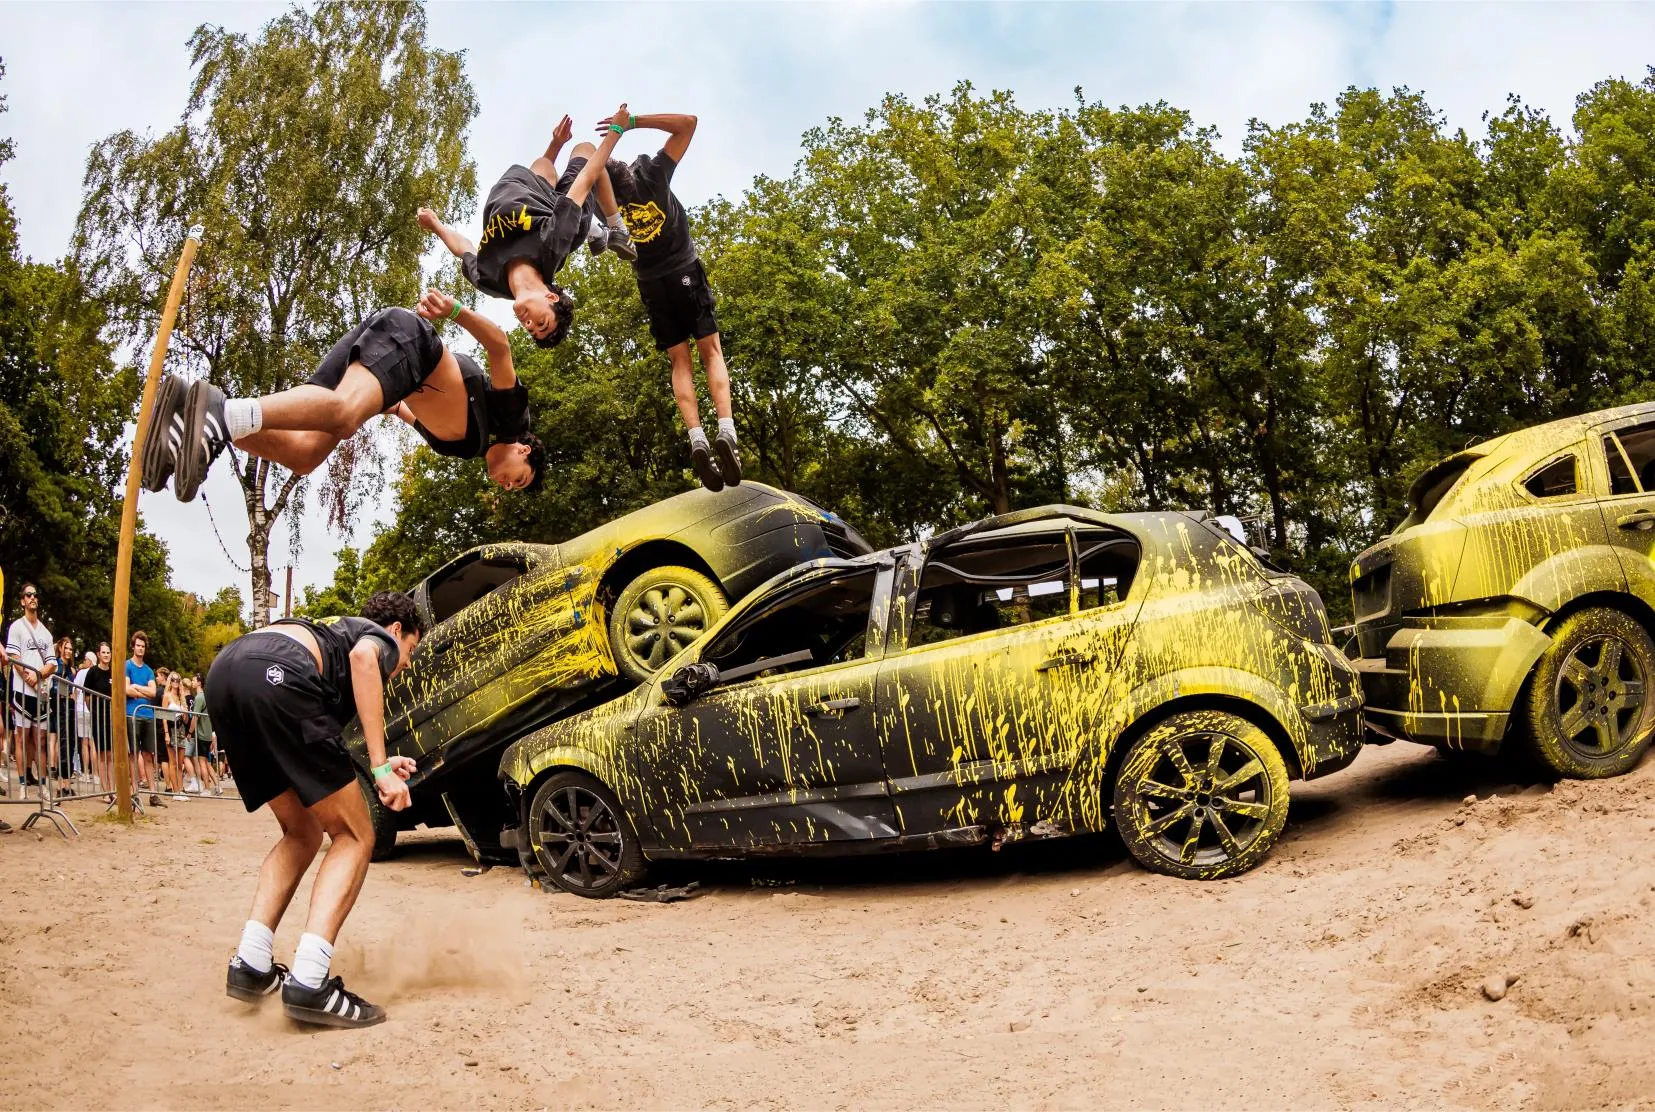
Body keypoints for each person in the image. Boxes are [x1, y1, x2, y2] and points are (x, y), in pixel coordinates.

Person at [213, 591, 423, 1028]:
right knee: (356, 835)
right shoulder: (376, 639)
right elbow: (365, 659)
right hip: (277, 674)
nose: (404, 664)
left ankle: (251, 963)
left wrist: (378, 761)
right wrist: (381, 769)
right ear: (396, 631)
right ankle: (310, 982)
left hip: (227, 673)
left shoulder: (334, 633)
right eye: (410, 650)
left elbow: (315, 740)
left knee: (303, 832)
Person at [140, 293, 547, 503]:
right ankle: (220, 412)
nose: (508, 485)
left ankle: (198, 416)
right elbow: (499, 346)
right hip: (410, 341)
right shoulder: (512, 422)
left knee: (305, 454)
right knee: (345, 414)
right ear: (524, 451)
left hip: (393, 370)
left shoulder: (465, 446)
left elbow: (403, 410)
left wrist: (385, 406)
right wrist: (454, 310)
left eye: (513, 488)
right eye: (520, 478)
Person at [419, 105, 635, 347]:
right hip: (566, 219)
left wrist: (435, 225)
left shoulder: (489, 281)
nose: (529, 324)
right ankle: (615, 229)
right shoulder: (551, 244)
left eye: (531, 330)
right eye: (541, 322)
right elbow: (585, 179)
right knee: (586, 150)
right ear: (551, 296)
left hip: (527, 188)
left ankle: (594, 229)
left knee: (544, 165)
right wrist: (616, 129)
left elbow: (464, 249)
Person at [605, 110, 741, 492]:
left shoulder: (605, 202)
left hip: (652, 284)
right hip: (684, 270)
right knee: (711, 351)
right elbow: (689, 123)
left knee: (679, 361)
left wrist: (604, 142)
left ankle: (697, 438)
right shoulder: (652, 173)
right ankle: (726, 431)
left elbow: (588, 174)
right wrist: (630, 123)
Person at [6, 583, 55, 798]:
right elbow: (15, 658)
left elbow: (52, 663)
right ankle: (23, 784)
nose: (33, 597)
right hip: (22, 691)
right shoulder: (17, 627)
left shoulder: (46, 632)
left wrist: (39, 675)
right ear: (22, 601)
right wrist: (30, 678)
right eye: (28, 595)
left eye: (35, 594)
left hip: (40, 693)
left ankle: (43, 785)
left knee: (40, 740)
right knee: (22, 738)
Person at [125, 631, 164, 809]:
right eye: (138, 645)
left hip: (148, 715)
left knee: (149, 755)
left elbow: (153, 692)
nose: (140, 649)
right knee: (133, 754)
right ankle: (134, 792)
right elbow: (126, 689)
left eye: (143, 646)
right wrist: (142, 692)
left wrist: (136, 687)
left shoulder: (148, 670)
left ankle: (153, 793)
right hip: (132, 714)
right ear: (133, 647)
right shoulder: (127, 665)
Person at [84, 643, 113, 796]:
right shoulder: (93, 672)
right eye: (104, 652)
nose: (106, 655)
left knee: (110, 755)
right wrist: (93, 711)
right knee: (101, 753)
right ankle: (105, 791)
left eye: (108, 652)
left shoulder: (114, 672)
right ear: (99, 654)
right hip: (98, 717)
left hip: (111, 718)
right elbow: (86, 695)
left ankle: (112, 789)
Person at [189, 675, 221, 796]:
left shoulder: (199, 697)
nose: (192, 682)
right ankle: (217, 786)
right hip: (207, 733)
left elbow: (195, 717)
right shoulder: (207, 697)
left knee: (202, 761)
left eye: (193, 680)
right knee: (206, 761)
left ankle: (207, 789)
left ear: (199, 683)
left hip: (201, 734)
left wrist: (190, 732)